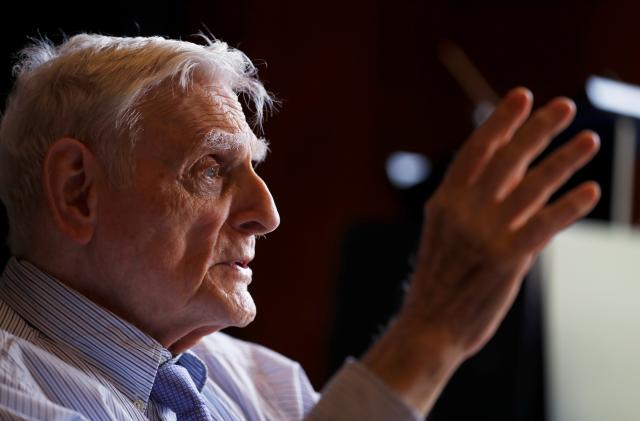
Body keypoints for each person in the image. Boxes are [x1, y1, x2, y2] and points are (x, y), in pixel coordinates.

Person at [0, 33, 600, 420]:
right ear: (79, 190)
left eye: (253, 167)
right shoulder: (14, 391)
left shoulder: (267, 384)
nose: (267, 213)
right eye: (211, 168)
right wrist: (428, 339)